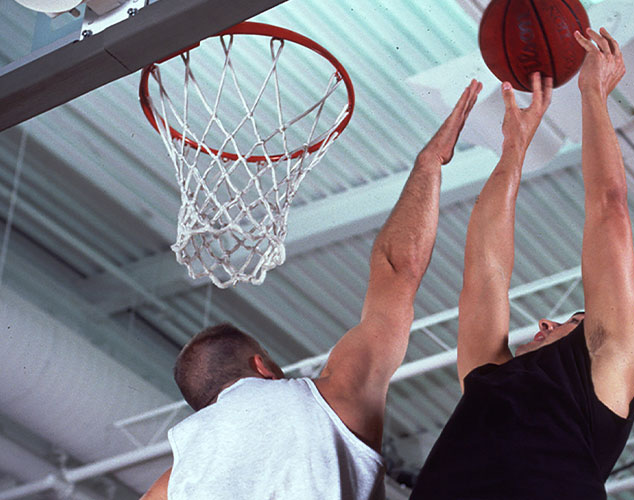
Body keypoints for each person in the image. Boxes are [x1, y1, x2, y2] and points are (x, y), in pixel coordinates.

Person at [139, 79, 483, 500]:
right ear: (262, 365)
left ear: (203, 404)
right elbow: (397, 270)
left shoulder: (176, 480)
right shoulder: (332, 396)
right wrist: (429, 162)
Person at [409, 28, 634, 500]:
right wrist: (514, 148)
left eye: (569, 320)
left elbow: (609, 209)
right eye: (570, 318)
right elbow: (485, 272)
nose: (546, 320)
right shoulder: (489, 380)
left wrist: (592, 95)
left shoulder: (606, 383)